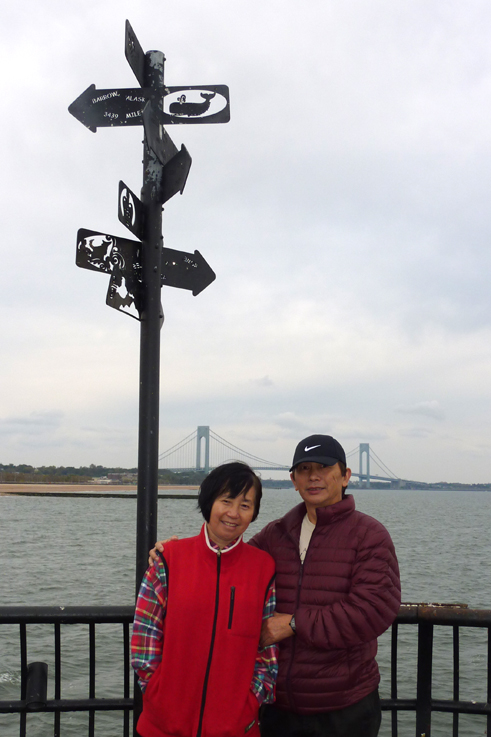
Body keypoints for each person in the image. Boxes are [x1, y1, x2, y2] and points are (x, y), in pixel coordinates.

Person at [150, 435, 400, 737]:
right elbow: (225, 562)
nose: (314, 476)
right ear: (293, 480)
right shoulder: (276, 534)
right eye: (304, 469)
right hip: (278, 711)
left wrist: (294, 624)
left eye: (324, 467)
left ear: (345, 475)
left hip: (343, 707)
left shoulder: (370, 535)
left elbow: (373, 610)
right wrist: (174, 553)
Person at [132, 461, 277, 737]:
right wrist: (157, 693)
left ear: (254, 512)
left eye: (245, 505)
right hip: (162, 728)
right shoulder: (168, 559)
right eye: (226, 501)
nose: (233, 513)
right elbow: (144, 638)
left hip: (235, 730)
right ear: (209, 501)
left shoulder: (264, 568)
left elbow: (267, 650)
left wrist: (250, 701)